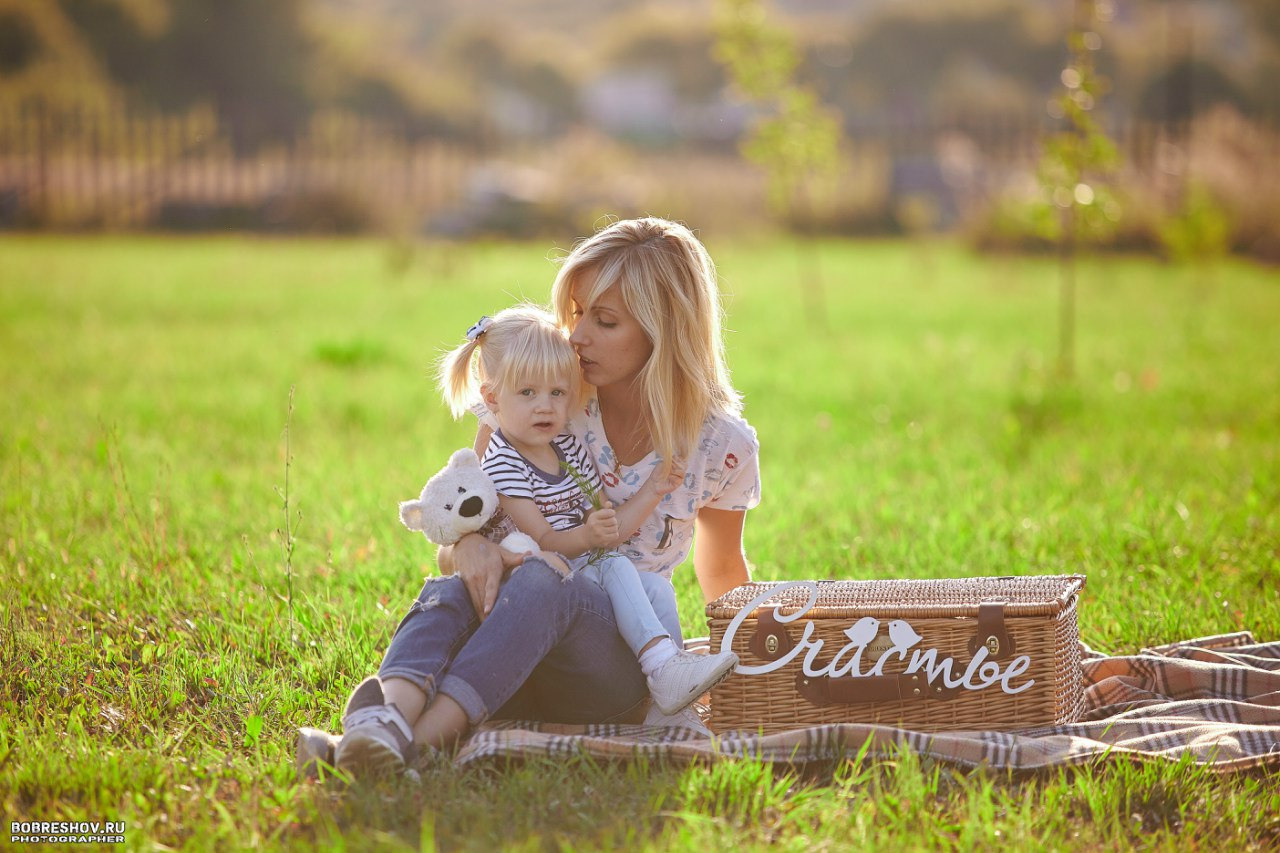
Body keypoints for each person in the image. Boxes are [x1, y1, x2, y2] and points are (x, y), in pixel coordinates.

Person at [306, 217, 761, 779]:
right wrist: (468, 549)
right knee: (452, 590)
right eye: (575, 314)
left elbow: (721, 571)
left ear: (662, 330)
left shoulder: (721, 444)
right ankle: (379, 729)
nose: (576, 336)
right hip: (514, 642)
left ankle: (407, 747)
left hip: (609, 669)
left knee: (549, 579)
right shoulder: (545, 397)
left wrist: (757, 679)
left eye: (605, 320)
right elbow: (468, 529)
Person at [437, 305, 739, 714]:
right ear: (494, 397)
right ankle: (661, 665)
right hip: (537, 581)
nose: (545, 406)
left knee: (655, 586)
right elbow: (543, 540)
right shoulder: (502, 458)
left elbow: (609, 528)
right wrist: (588, 537)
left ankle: (670, 691)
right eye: (529, 393)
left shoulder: (568, 447)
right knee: (615, 566)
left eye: (557, 394)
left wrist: (654, 489)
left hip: (584, 568)